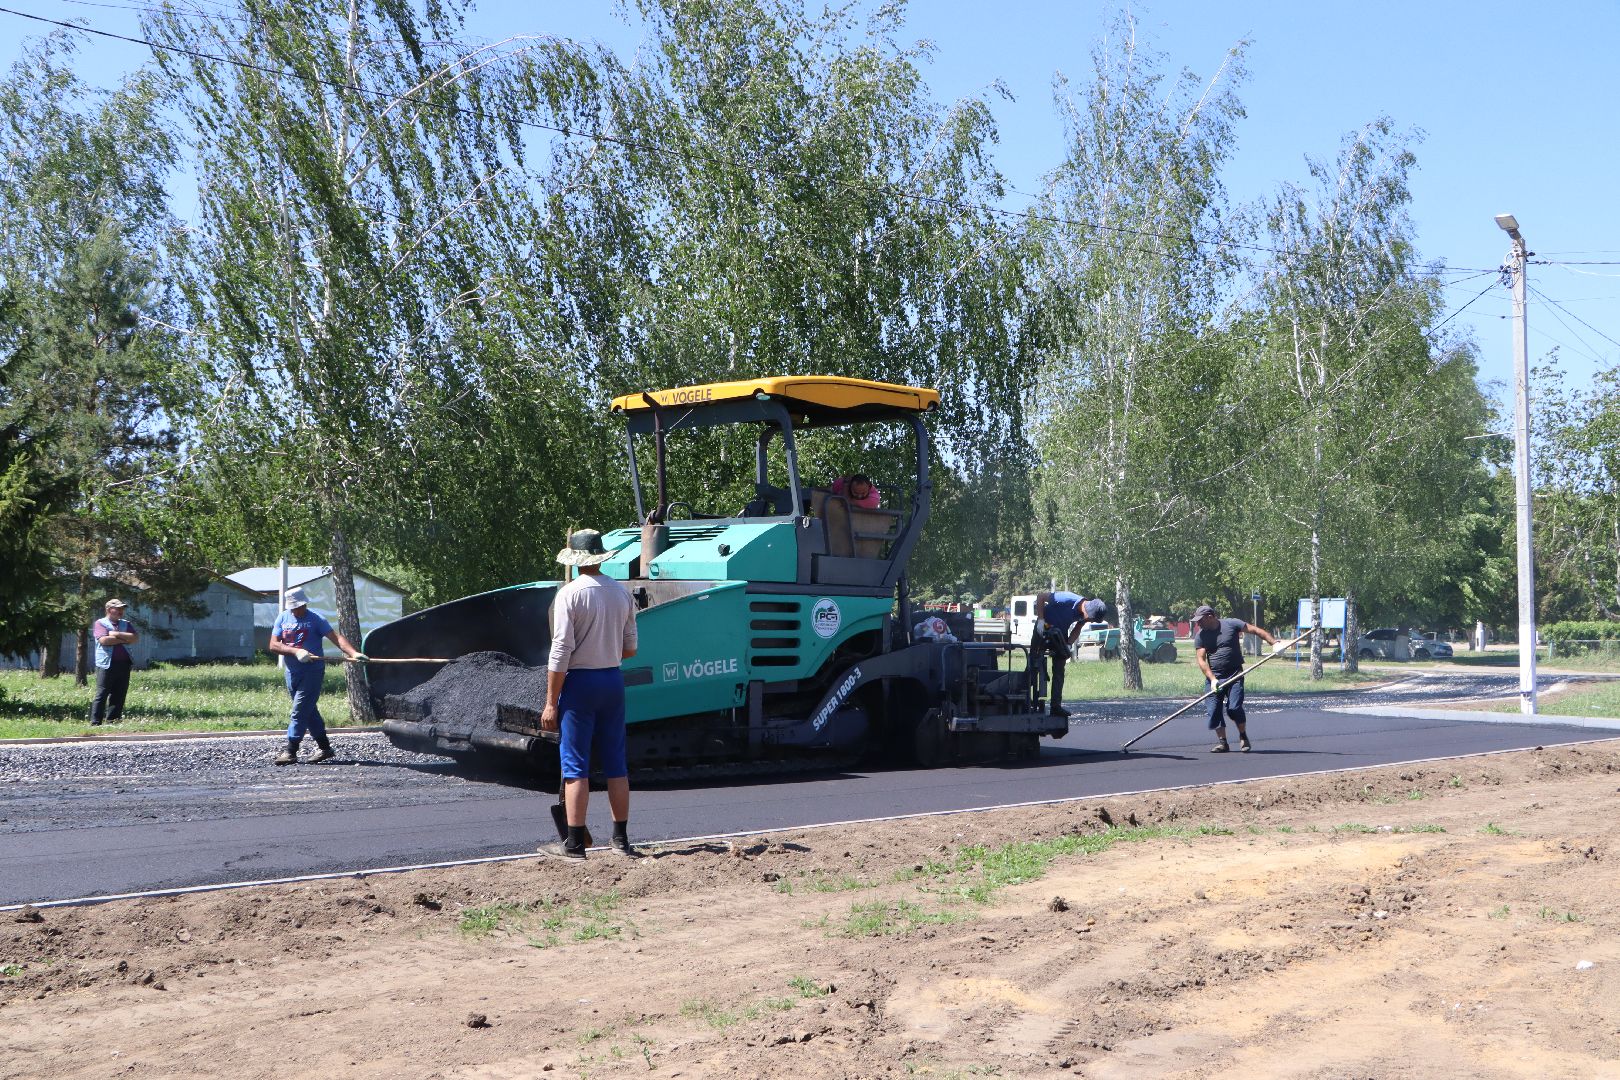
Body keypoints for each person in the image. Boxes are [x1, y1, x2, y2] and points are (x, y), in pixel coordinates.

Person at [539, 529, 640, 861]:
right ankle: (621, 840)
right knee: (615, 763)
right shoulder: (621, 594)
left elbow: (560, 654)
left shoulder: (570, 595)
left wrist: (551, 702)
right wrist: (604, 648)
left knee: (575, 766)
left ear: (576, 560)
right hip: (612, 681)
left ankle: (574, 844)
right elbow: (630, 650)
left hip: (580, 684)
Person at [267, 587, 364, 765]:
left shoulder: (316, 619)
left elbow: (336, 638)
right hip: (292, 672)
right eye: (294, 607)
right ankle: (325, 748)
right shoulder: (283, 618)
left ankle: (291, 750)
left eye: (301, 606)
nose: (298, 610)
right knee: (309, 711)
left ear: (305, 603)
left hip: (312, 672)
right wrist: (295, 652)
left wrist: (353, 653)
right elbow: (273, 645)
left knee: (299, 711)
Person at [1191, 604, 1283, 753]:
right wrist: (1213, 679)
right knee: (1213, 711)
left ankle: (1243, 736)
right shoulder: (1201, 636)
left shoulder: (1231, 624)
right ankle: (1223, 743)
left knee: (1234, 708)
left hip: (1235, 675)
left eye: (1200, 620)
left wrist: (1274, 643)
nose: (1198, 623)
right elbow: (1201, 660)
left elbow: (1255, 630)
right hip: (1214, 678)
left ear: (1210, 617)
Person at [1032, 592, 1106, 718]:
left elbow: (1077, 628)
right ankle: (1029, 702)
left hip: (1059, 633)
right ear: (1088, 610)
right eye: (1091, 618)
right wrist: (1040, 619)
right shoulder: (1067, 598)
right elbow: (1041, 597)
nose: (1090, 620)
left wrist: (1068, 644)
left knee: (1060, 667)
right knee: (1034, 663)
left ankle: (1056, 707)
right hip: (1044, 625)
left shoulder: (1085, 615)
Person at [90, 598, 139, 726]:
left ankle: (113, 721)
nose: (120, 611)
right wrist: (123, 639)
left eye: (122, 609)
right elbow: (104, 641)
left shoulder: (125, 623)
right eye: (117, 608)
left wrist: (115, 634)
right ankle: (95, 723)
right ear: (108, 609)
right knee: (102, 693)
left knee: (119, 694)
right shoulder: (100, 623)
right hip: (106, 664)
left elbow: (134, 638)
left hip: (124, 663)